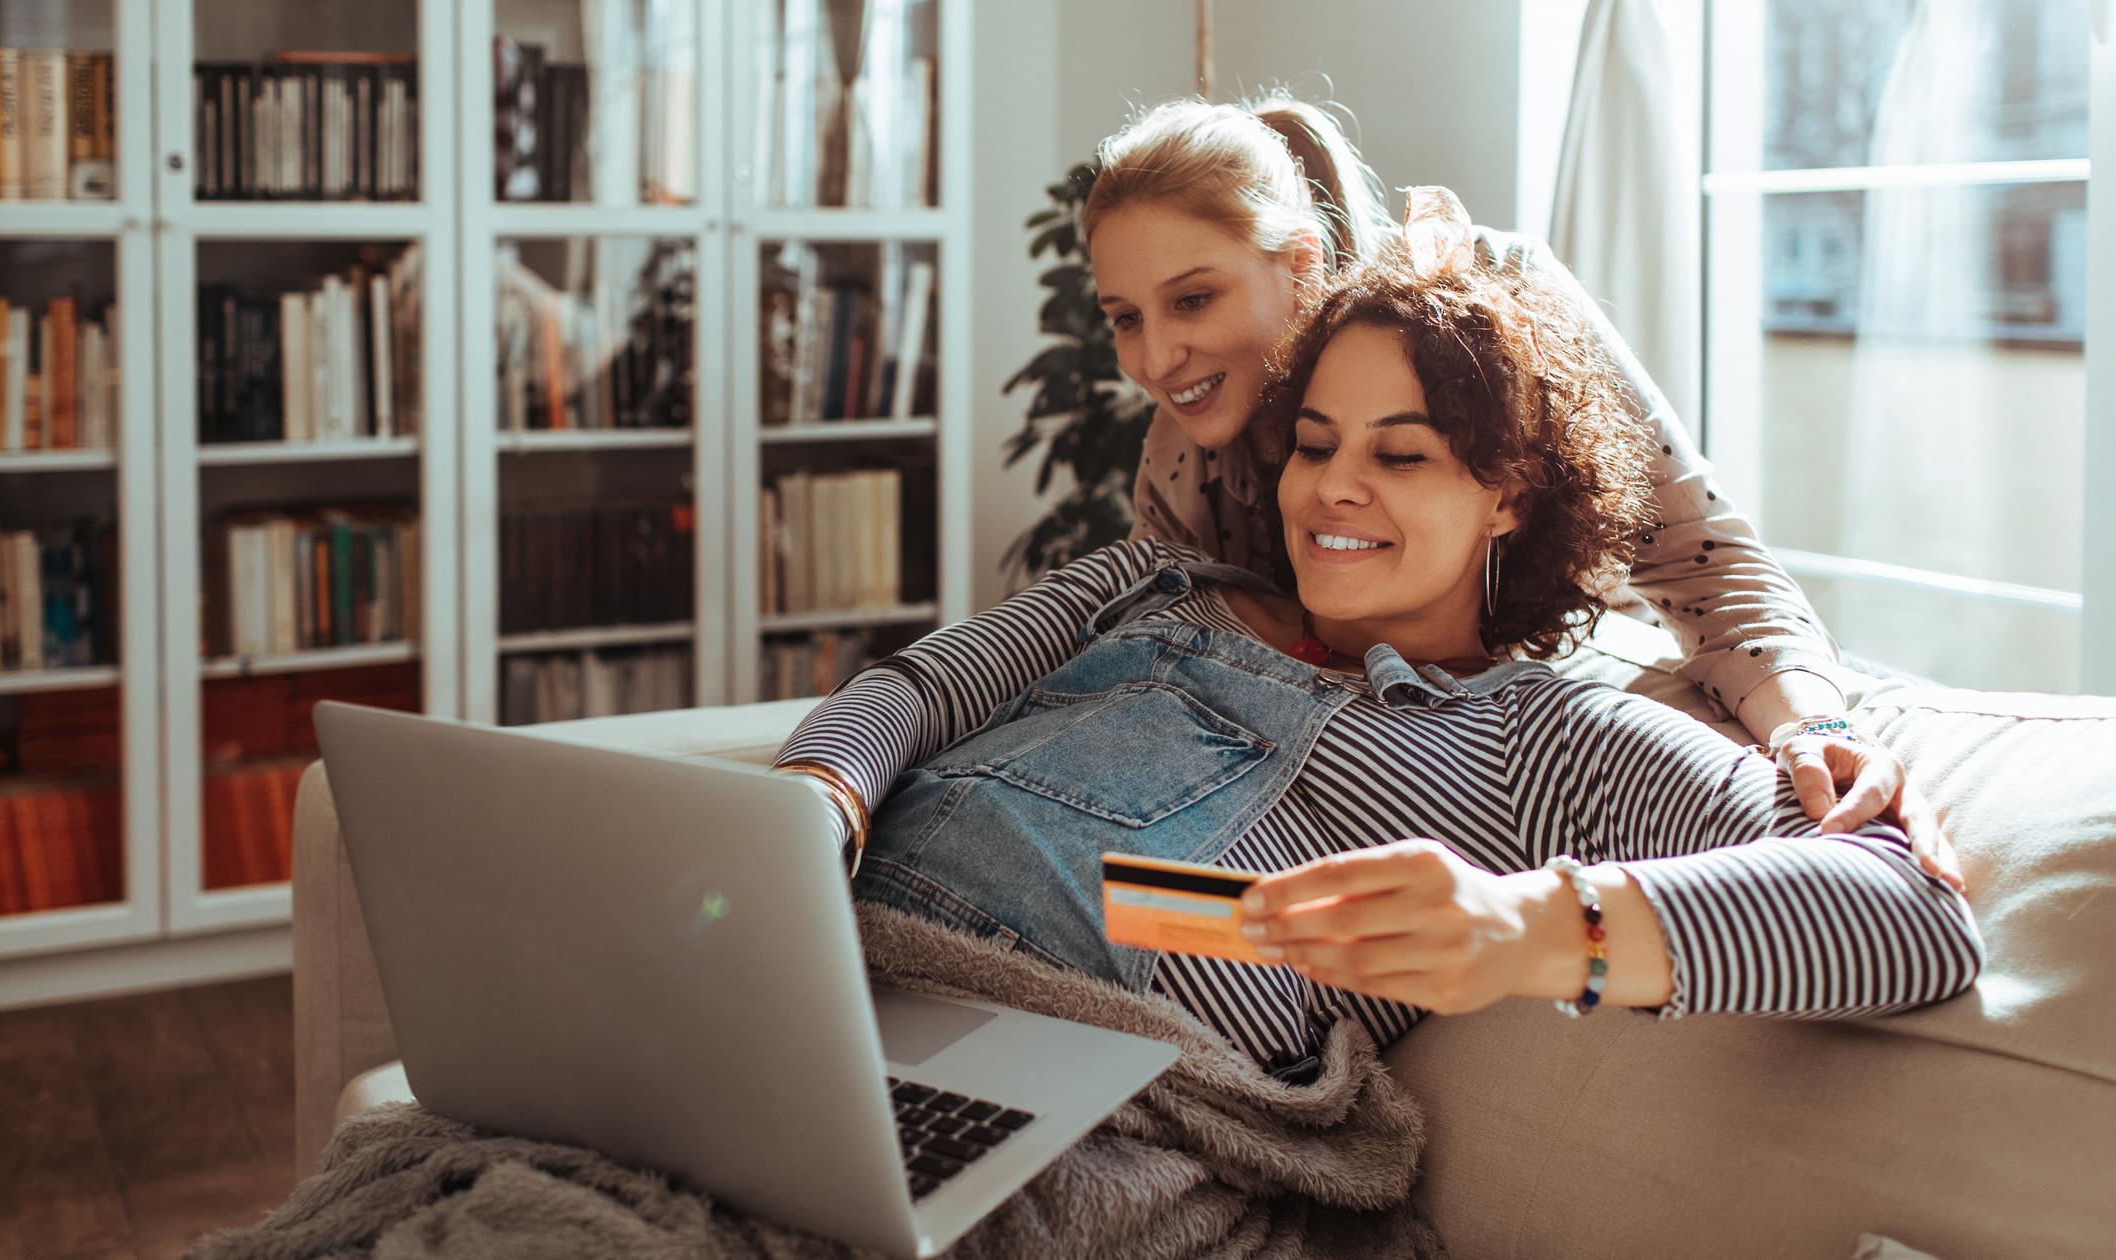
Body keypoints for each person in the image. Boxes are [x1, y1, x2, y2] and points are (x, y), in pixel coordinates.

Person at [772, 214, 1982, 1072]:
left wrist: (1525, 932)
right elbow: (918, 688)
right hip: (804, 994)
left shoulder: (1541, 735)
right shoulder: (1156, 578)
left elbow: (1907, 914)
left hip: (1056, 1101)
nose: (1330, 491)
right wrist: (807, 807)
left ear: (1509, 493)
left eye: (1398, 455)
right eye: (1310, 442)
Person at [1078, 94, 1961, 891]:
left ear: (1302, 264)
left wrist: (1811, 730)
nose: (1155, 361)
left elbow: (1707, 568)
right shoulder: (1184, 454)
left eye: (1192, 300)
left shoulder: (1497, 312)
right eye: (1125, 319)